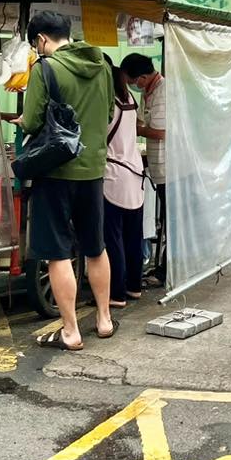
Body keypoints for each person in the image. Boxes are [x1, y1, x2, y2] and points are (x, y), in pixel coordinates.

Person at [21, 11, 115, 352]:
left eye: (36, 44)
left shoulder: (45, 69)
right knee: (95, 246)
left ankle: (72, 331)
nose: (37, 50)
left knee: (58, 253)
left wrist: (22, 119)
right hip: (93, 169)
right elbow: (107, 114)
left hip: (56, 172)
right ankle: (104, 320)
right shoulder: (103, 65)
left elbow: (32, 122)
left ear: (43, 39)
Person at [102, 58, 145, 309]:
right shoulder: (129, 100)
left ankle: (116, 293)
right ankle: (134, 286)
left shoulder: (109, 105)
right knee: (132, 235)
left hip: (114, 174)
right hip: (135, 172)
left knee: (113, 237)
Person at [120, 54, 167, 287]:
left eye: (132, 81)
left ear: (144, 77)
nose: (131, 85)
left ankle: (166, 270)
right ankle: (162, 268)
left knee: (171, 222)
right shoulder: (147, 92)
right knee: (166, 219)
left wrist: (134, 128)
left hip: (171, 169)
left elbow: (160, 132)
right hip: (158, 166)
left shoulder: (163, 93)